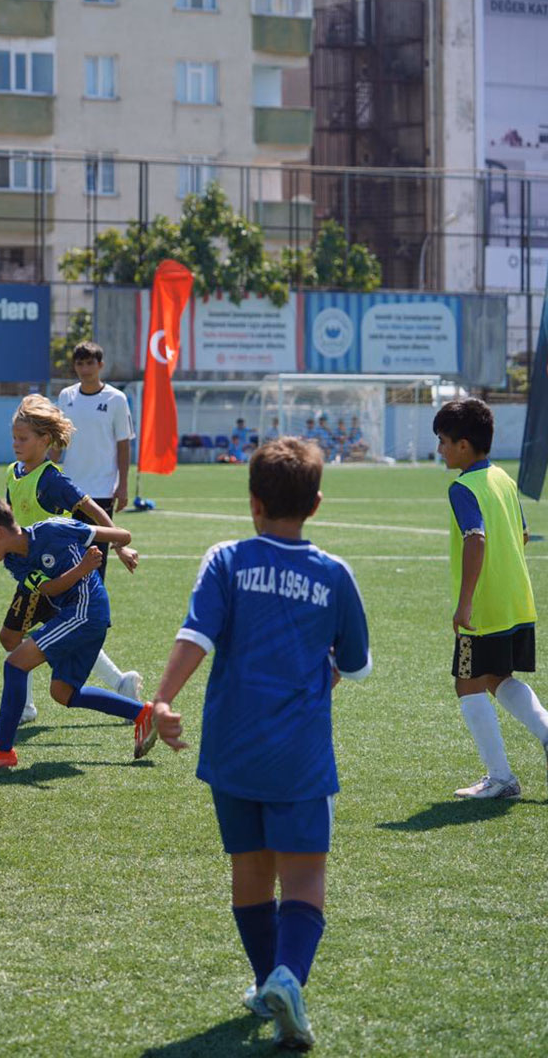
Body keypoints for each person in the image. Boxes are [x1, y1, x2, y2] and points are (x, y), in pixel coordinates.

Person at [149, 437, 371, 1050]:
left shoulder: (227, 559)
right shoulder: (333, 574)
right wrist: (321, 670)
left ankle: (266, 982)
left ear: (252, 502)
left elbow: (195, 635)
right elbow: (354, 664)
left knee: (249, 872)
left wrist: (163, 700)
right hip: (299, 753)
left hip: (231, 747)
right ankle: (288, 978)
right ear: (317, 504)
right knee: (303, 880)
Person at [0, 394, 142, 727]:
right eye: (14, 438)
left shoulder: (54, 479)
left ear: (45, 440)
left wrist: (120, 546)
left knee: (36, 637)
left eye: (23, 438)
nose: (16, 444)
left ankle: (107, 690)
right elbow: (11, 516)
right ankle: (117, 685)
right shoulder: (14, 472)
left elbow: (92, 512)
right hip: (33, 572)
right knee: (13, 637)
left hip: (60, 572)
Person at [0, 499, 153, 768]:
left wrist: (119, 547)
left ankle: (1, 750)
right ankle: (143, 714)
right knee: (63, 693)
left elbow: (122, 535)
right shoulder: (14, 561)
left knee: (15, 664)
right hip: (75, 613)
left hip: (85, 611)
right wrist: (82, 568)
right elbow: (49, 589)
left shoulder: (53, 529)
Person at [433, 398, 548, 799]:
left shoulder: (462, 488)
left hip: (485, 608)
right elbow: (522, 533)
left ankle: (502, 777)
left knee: (467, 684)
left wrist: (465, 601)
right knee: (495, 678)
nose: (440, 449)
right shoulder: (503, 479)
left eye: (443, 441)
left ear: (464, 446)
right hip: (517, 600)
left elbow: (476, 538)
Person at [56, 342, 135, 572]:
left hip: (101, 489)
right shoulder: (65, 396)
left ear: (100, 365)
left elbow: (123, 444)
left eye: (90, 363)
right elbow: (58, 441)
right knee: (67, 557)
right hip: (68, 489)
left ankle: (93, 606)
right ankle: (69, 606)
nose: (85, 368)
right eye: (80, 363)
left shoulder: (116, 399)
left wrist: (123, 485)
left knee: (96, 558)